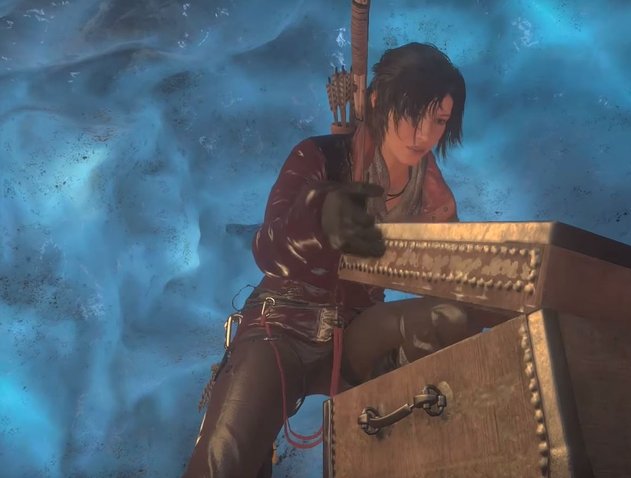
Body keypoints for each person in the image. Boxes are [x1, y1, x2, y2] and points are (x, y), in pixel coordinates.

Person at [183, 42, 503, 478]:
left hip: (358, 329)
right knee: (224, 461)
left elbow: (453, 272)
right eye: (413, 114)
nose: (424, 134)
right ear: (378, 102)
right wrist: (317, 216)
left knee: (450, 320)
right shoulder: (318, 157)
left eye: (440, 121)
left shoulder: (431, 193)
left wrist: (494, 296)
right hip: (283, 324)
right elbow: (266, 250)